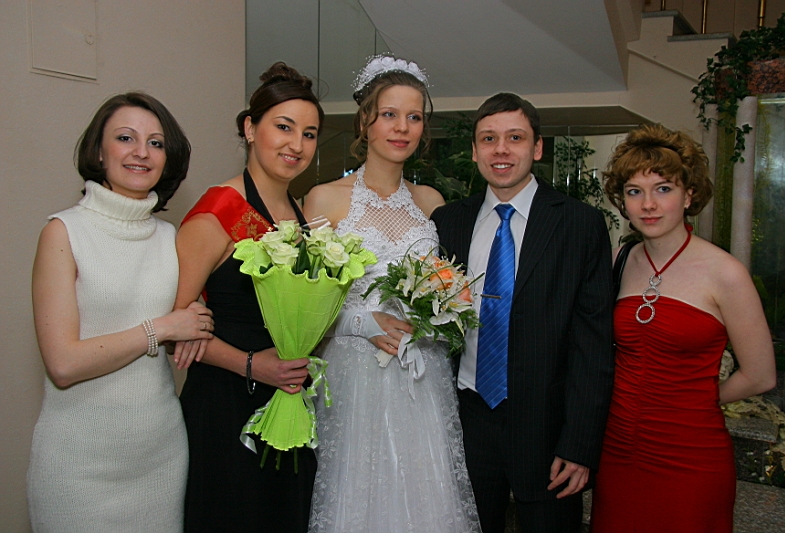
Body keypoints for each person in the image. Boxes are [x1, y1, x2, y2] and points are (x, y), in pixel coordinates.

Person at [303, 55, 482, 533]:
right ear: (365, 121)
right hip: (354, 372)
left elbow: (447, 288)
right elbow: (305, 307)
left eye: (414, 116)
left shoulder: (431, 203)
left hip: (422, 375)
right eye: (389, 114)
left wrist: (440, 317)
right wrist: (361, 322)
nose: (402, 127)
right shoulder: (324, 199)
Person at [27, 92, 213, 533]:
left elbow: (191, 316)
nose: (141, 152)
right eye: (126, 138)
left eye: (156, 143)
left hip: (160, 458)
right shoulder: (63, 232)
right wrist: (161, 328)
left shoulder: (171, 237)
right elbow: (63, 364)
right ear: (98, 151)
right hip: (78, 465)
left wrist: (197, 319)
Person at [430, 93, 615, 533]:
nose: (501, 150)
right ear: (474, 150)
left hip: (548, 426)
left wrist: (580, 444)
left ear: (537, 148)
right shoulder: (447, 222)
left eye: (515, 138)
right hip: (467, 418)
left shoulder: (579, 224)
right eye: (488, 139)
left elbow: (593, 344)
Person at [590, 124, 776, 533]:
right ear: (622, 201)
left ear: (689, 195)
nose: (648, 204)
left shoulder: (726, 273)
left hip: (691, 455)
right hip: (617, 451)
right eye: (635, 192)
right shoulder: (619, 260)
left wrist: (695, 400)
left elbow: (761, 375)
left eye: (663, 189)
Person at [173, 62, 323, 533]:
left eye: (309, 134)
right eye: (284, 127)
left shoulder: (300, 214)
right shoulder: (219, 210)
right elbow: (177, 325)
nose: (296, 144)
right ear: (250, 128)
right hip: (225, 404)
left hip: (288, 401)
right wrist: (253, 365)